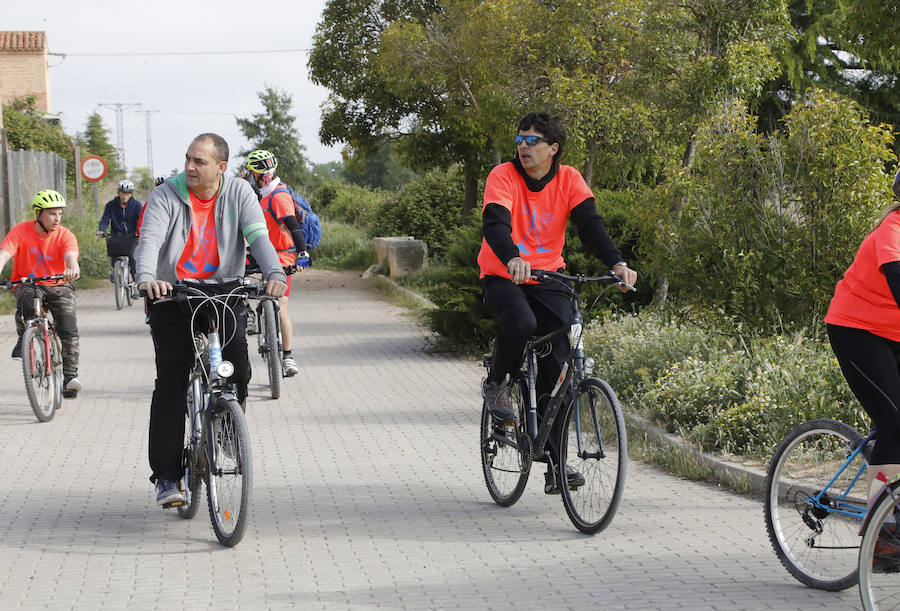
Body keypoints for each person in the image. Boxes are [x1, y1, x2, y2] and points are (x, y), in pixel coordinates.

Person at [477, 111, 637, 494]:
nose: (522, 146)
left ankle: (554, 464)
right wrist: (512, 256)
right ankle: (497, 384)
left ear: (553, 148)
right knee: (522, 324)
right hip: (504, 273)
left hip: (550, 276)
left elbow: (590, 225)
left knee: (560, 369)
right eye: (520, 139)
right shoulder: (503, 176)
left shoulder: (569, 179)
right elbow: (495, 224)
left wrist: (617, 262)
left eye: (532, 140)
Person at [135, 133, 287, 506]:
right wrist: (146, 278)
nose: (189, 167)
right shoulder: (166, 195)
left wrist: (275, 273)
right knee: (171, 381)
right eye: (187, 159)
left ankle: (227, 427)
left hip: (225, 291)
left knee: (238, 370)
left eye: (199, 161)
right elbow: (150, 240)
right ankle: (168, 476)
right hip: (171, 293)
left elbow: (258, 236)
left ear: (221, 167)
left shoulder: (238, 193)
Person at [826, 164, 900, 504]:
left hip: (893, 334)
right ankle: (882, 530)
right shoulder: (893, 231)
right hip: (857, 330)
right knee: (895, 423)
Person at [0, 189, 82, 398]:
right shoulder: (20, 231)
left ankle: (69, 377)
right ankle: (25, 336)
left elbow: (70, 255)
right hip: (29, 282)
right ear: (38, 214)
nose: (57, 219)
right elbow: (4, 254)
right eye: (52, 213)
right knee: (25, 301)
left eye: (59, 214)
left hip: (59, 283)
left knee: (67, 325)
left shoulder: (65, 235)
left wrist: (72, 268)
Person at [244, 149, 310, 377]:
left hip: (282, 257)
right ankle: (248, 313)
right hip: (262, 253)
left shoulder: (279, 196)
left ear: (259, 175)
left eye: (252, 173)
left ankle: (288, 357)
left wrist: (302, 253)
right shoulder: (264, 194)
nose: (251, 177)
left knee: (281, 307)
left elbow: (293, 227)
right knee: (231, 271)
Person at [96, 179, 142, 279]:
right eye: (122, 193)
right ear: (118, 193)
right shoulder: (111, 205)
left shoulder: (137, 206)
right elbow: (105, 219)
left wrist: (141, 232)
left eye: (127, 193)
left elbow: (141, 220)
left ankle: (136, 282)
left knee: (133, 257)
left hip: (132, 236)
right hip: (117, 235)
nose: (124, 196)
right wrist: (101, 230)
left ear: (131, 194)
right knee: (113, 251)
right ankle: (115, 270)